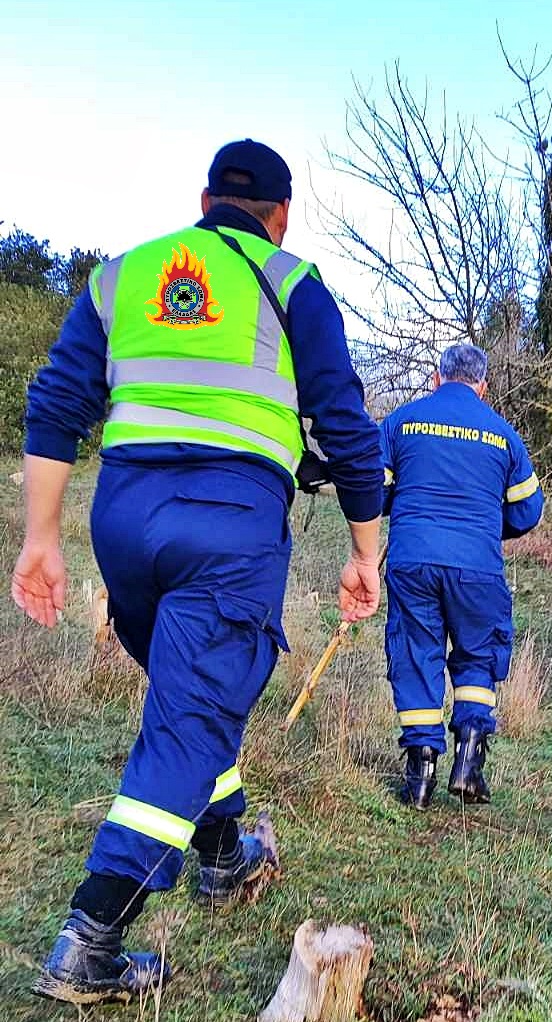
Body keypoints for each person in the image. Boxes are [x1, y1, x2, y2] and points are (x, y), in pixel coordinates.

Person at [12, 139, 383, 1005]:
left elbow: (58, 404)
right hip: (227, 525)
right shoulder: (293, 283)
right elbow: (349, 432)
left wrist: (41, 538)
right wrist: (366, 554)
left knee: (190, 693)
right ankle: (90, 938)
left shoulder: (122, 277)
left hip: (125, 520)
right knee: (187, 724)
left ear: (204, 198)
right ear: (281, 216)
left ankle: (223, 856)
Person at [379, 343, 543, 809]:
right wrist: (491, 525)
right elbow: (528, 511)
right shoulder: (504, 436)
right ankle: (469, 760)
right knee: (477, 655)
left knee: (416, 653)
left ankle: (420, 776)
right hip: (478, 566)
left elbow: (374, 487)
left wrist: (401, 507)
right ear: (483, 386)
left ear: (436, 377)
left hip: (412, 559)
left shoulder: (401, 421)